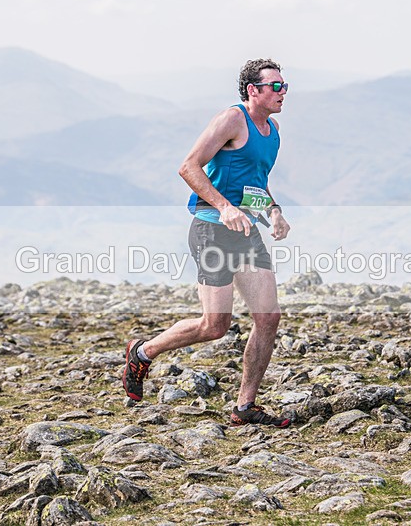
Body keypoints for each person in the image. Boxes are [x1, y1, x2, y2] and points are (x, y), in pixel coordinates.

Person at [123, 58, 292, 428]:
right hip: (211, 230)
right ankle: (143, 352)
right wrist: (224, 206)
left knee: (268, 317)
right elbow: (188, 166)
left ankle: (245, 407)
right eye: (276, 86)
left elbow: (255, 184)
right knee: (215, 326)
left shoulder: (273, 131)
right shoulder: (232, 120)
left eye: (284, 86)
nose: (283, 92)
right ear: (253, 90)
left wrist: (275, 211)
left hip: (246, 232)